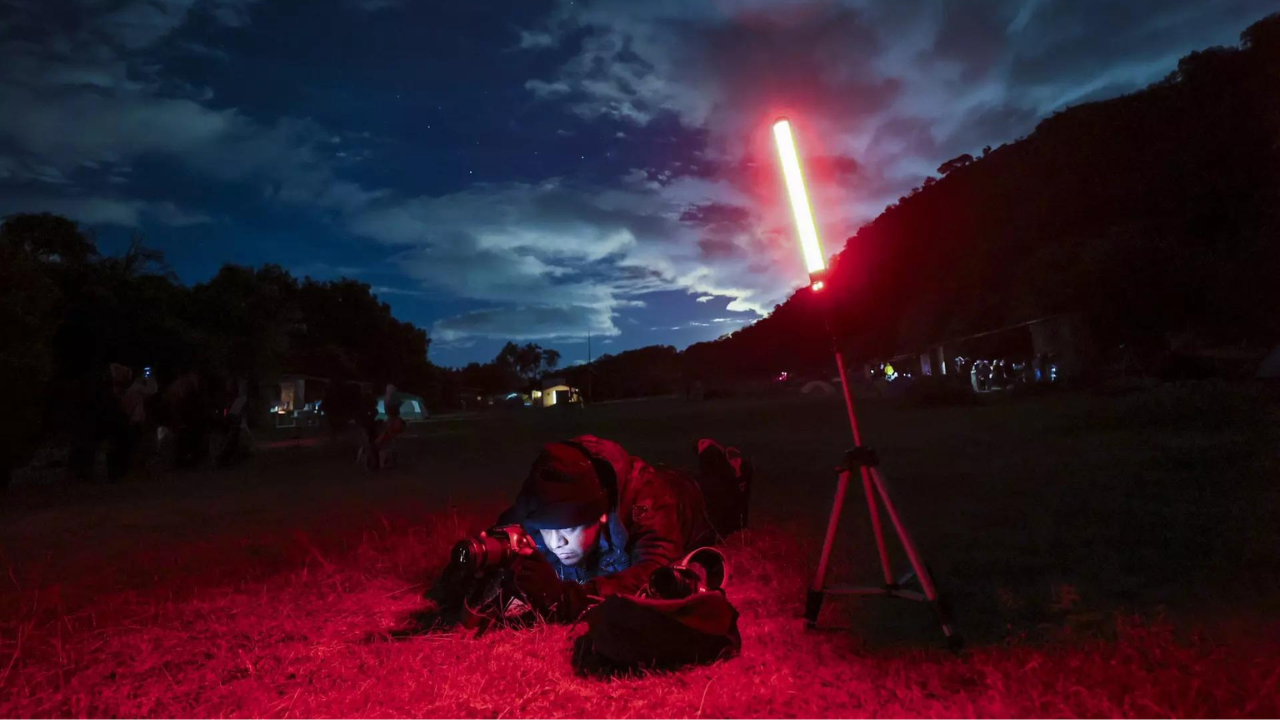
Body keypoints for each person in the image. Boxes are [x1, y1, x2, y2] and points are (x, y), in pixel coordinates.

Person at [496, 435, 750, 622]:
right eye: (546, 530)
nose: (555, 543)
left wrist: (570, 598)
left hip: (691, 500)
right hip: (656, 482)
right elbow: (500, 534)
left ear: (602, 515)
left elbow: (655, 570)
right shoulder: (549, 489)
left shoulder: (647, 501)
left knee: (726, 504)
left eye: (567, 529)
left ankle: (725, 464)